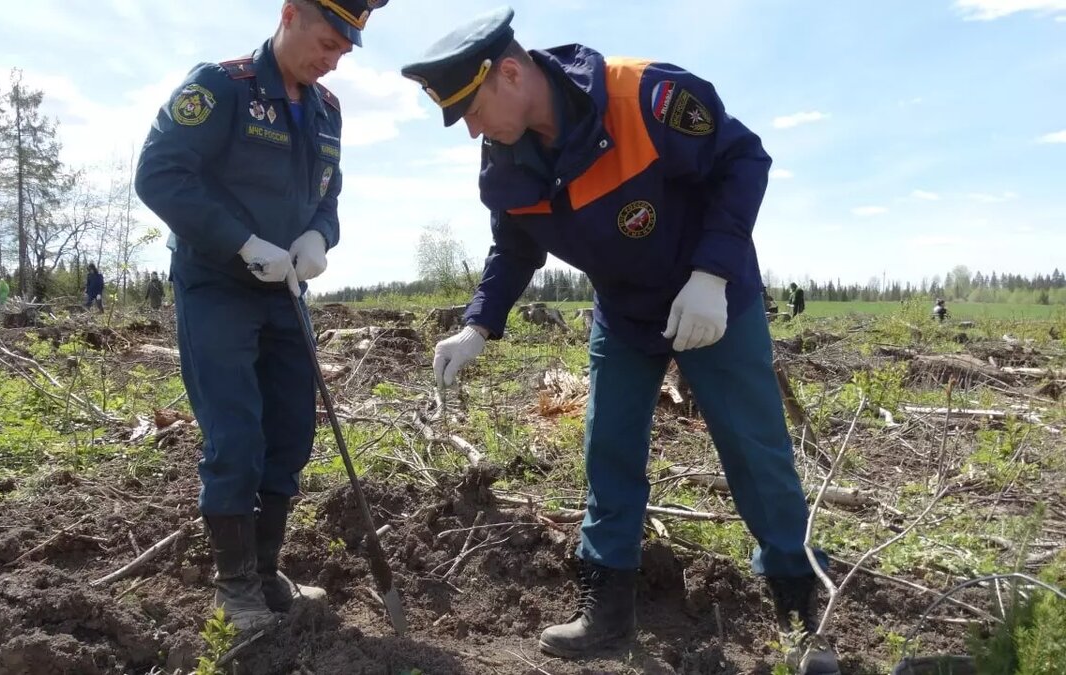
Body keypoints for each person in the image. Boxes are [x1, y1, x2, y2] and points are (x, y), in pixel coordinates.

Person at [401, 8, 837, 674]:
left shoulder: (647, 98)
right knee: (609, 451)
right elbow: (513, 248)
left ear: (511, 74)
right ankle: (605, 613)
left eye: (471, 110)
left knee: (757, 452)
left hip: (712, 302)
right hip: (626, 316)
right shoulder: (504, 163)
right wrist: (477, 325)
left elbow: (743, 160)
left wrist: (712, 274)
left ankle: (802, 615)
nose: (471, 131)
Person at [134, 0, 389, 635]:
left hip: (287, 291)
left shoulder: (327, 110)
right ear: (290, 13)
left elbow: (327, 194)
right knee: (236, 432)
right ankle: (234, 585)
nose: (331, 60)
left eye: (343, 51)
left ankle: (267, 569)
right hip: (218, 285)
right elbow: (159, 175)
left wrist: (319, 237)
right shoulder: (222, 87)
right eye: (327, 42)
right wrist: (242, 243)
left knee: (291, 429)